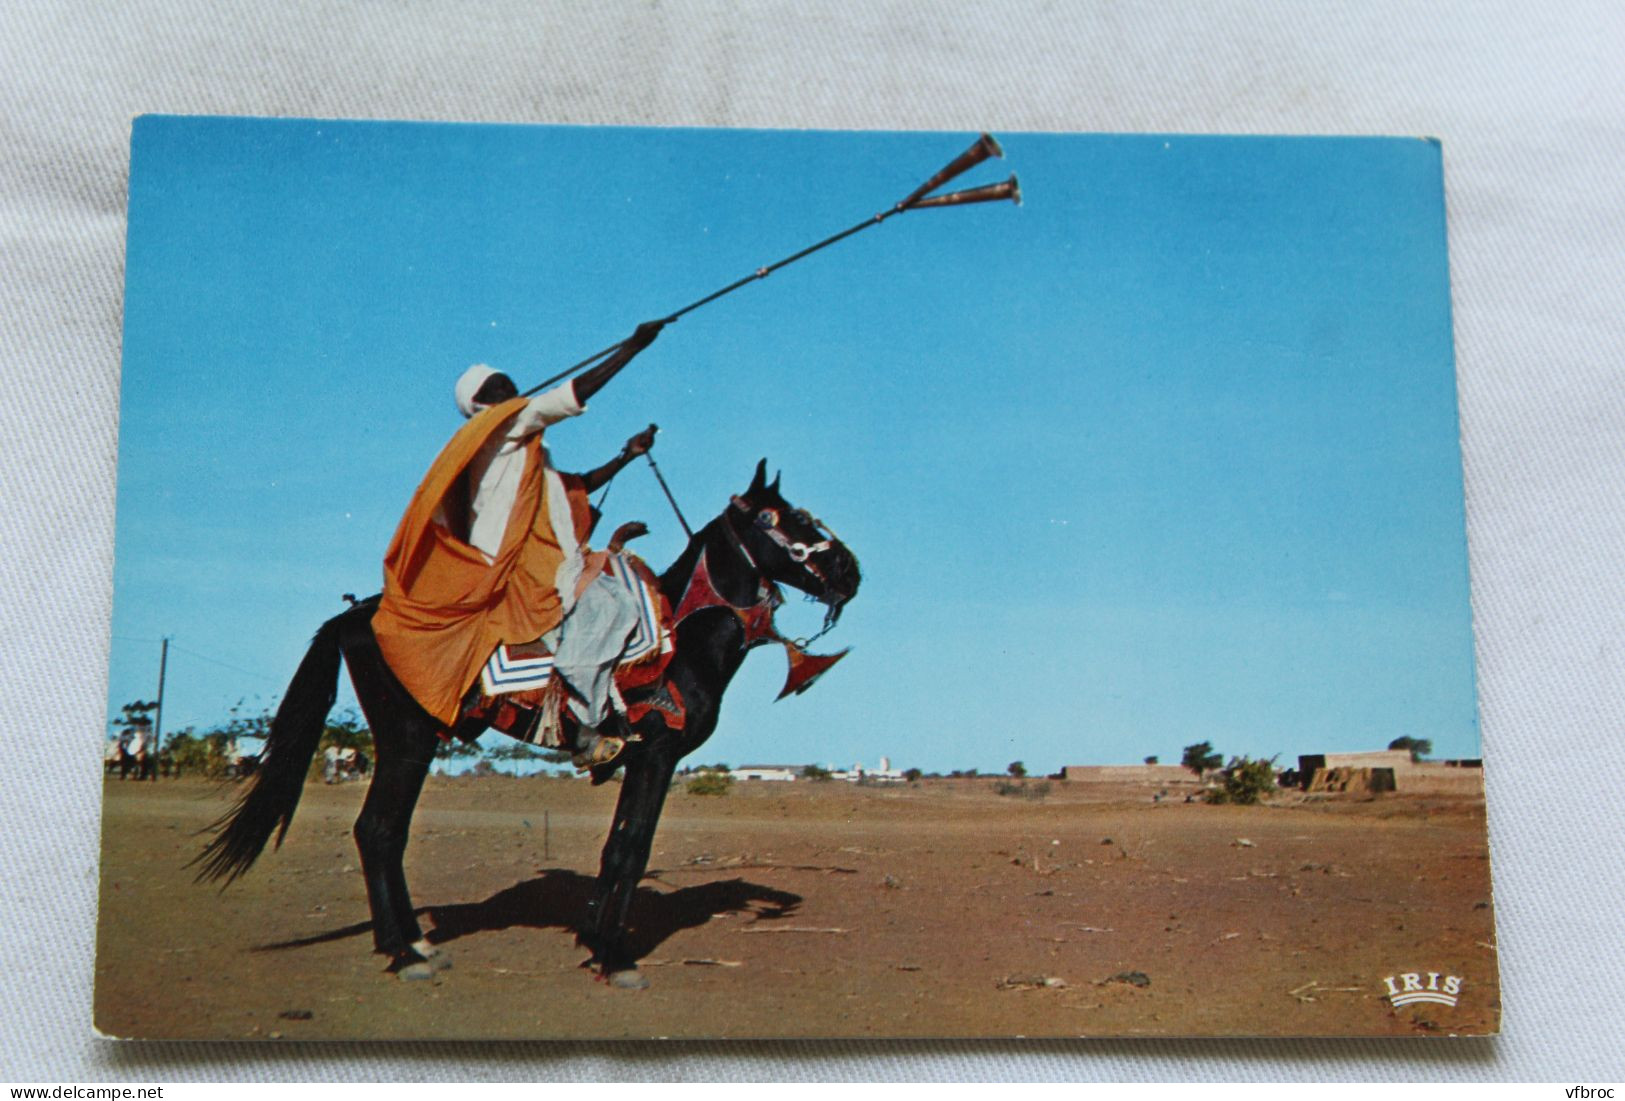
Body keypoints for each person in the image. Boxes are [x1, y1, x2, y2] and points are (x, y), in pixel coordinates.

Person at [372, 320, 666, 771]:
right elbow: (568, 397)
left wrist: (627, 455)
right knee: (612, 609)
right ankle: (587, 730)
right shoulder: (500, 426)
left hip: (553, 557)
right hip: (522, 569)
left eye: (508, 380)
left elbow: (574, 487)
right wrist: (632, 348)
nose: (511, 386)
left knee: (620, 596)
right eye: (499, 385)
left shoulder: (522, 447)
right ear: (481, 405)